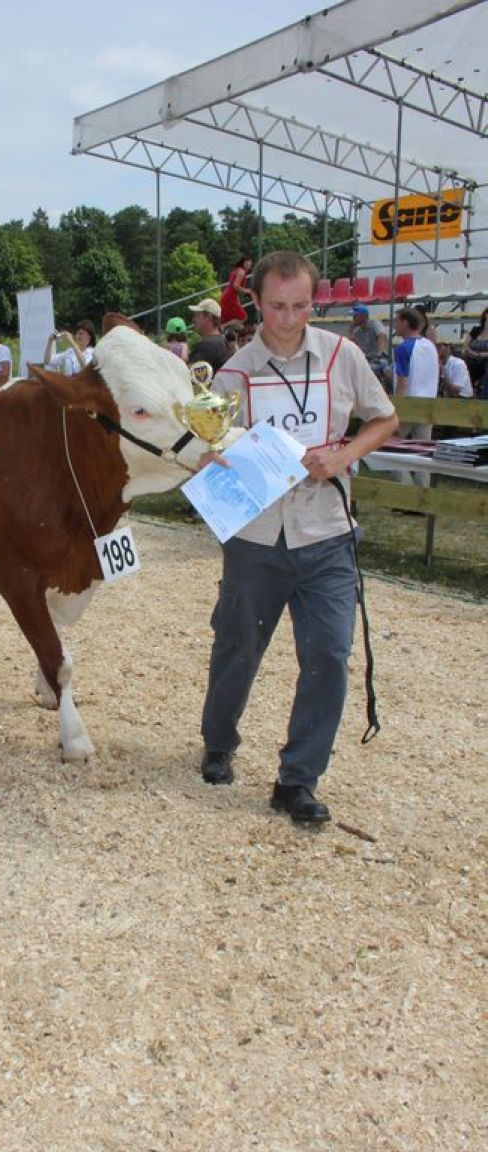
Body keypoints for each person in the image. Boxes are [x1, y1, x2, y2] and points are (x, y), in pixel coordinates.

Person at [199, 250, 398, 824]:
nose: (289, 318)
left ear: (315, 301)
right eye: (277, 306)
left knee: (330, 656)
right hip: (256, 537)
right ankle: (218, 742)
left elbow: (384, 419)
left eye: (301, 305)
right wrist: (219, 457)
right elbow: (212, 452)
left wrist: (343, 455)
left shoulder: (343, 354)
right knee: (237, 646)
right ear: (256, 302)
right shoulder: (234, 373)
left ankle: (297, 780)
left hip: (328, 532)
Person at [392, 306, 439, 483]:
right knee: (423, 452)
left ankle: (406, 489)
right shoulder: (430, 346)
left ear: (405, 323)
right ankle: (421, 495)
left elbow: (403, 382)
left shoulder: (404, 348)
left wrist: (395, 410)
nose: (395, 325)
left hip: (410, 405)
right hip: (429, 405)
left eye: (397, 321)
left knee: (390, 447)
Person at [348, 304, 389, 383]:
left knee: (364, 371)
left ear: (363, 316)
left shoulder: (374, 323)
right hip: (367, 360)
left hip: (380, 359)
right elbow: (354, 347)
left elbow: (382, 336)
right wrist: (350, 332)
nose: (353, 319)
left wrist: (379, 353)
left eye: (355, 316)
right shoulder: (358, 332)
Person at [187, 299, 228, 377]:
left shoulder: (208, 346)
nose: (194, 320)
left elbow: (192, 377)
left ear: (209, 317)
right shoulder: (221, 341)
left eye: (197, 316)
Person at [219, 256, 254, 324]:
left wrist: (238, 300)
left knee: (227, 318)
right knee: (243, 317)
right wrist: (247, 291)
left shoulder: (237, 270)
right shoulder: (241, 272)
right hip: (230, 297)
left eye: (250, 264)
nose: (249, 266)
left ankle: (224, 329)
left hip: (227, 296)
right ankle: (223, 328)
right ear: (244, 263)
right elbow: (235, 286)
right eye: (248, 263)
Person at [462, 306, 488, 396]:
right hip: (472, 358)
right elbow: (465, 345)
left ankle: (484, 394)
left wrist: (482, 355)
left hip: (485, 360)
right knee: (464, 363)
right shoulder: (476, 330)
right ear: (486, 315)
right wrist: (471, 352)